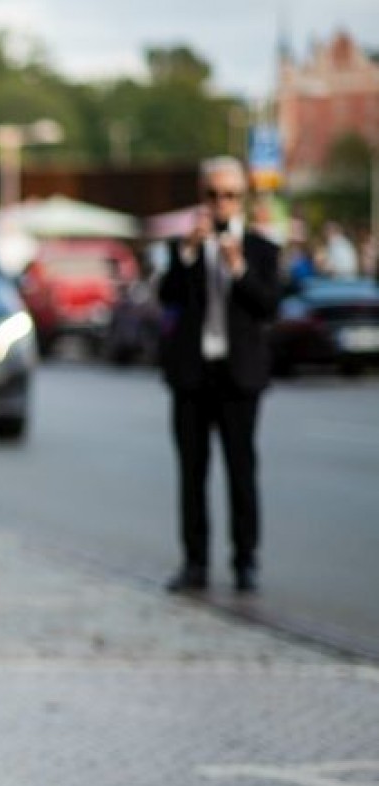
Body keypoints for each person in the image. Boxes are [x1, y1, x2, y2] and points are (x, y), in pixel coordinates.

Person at [157, 156, 281, 596]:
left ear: (241, 198)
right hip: (192, 375)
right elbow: (167, 296)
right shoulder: (182, 247)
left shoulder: (261, 249)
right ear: (202, 196)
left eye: (230, 195)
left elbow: (268, 306)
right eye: (213, 194)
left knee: (241, 471)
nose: (221, 203)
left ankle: (245, 561)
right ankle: (195, 563)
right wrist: (189, 253)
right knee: (192, 474)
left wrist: (239, 269)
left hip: (239, 377)